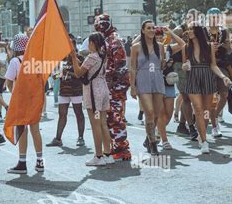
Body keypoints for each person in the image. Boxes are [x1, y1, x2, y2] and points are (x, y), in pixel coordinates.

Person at [182, 22, 232, 154]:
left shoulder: (209, 46)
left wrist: (223, 77)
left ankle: (201, 133)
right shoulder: (186, 47)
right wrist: (185, 66)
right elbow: (184, 64)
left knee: (206, 111)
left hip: (207, 78)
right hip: (193, 78)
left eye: (192, 29)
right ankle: (204, 141)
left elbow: (213, 65)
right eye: (188, 29)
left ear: (198, 31)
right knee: (198, 109)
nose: (189, 31)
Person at [71, 32, 112, 166]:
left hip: (94, 92)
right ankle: (107, 154)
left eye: (89, 42)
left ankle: (98, 156)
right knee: (103, 124)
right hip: (103, 89)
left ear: (93, 44)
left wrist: (72, 57)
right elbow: (87, 68)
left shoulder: (91, 57)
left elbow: (78, 73)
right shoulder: (102, 56)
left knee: (95, 125)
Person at [94, 14, 131, 160]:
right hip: (109, 85)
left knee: (116, 117)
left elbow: (120, 64)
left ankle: (123, 148)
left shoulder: (114, 40)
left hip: (116, 86)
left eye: (102, 24)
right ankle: (115, 146)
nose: (100, 27)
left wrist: (108, 77)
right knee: (110, 117)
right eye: (98, 25)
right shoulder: (106, 39)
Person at [6, 34, 44, 173]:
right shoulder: (35, 60)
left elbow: (9, 81)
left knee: (22, 129)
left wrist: (13, 93)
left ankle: (22, 162)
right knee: (35, 129)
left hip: (21, 99)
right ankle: (40, 161)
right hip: (35, 98)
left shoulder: (15, 61)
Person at [130, 21, 165, 155]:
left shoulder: (160, 46)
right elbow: (132, 67)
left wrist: (165, 62)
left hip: (157, 78)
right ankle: (153, 143)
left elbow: (161, 65)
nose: (151, 30)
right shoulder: (136, 47)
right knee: (149, 112)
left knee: (156, 114)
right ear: (143, 31)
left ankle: (148, 137)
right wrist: (132, 86)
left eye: (153, 28)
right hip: (143, 79)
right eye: (148, 28)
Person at [47, 36, 85, 147]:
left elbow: (81, 74)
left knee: (78, 114)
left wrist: (68, 72)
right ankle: (58, 139)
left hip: (76, 91)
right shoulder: (61, 59)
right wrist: (53, 73)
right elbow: (56, 76)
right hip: (64, 91)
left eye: (70, 45)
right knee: (62, 114)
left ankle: (81, 137)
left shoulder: (79, 58)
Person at [205, 7, 232, 138]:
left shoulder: (224, 31)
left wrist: (228, 48)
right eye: (212, 17)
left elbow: (230, 51)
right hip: (206, 65)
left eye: (216, 17)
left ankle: (214, 116)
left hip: (220, 65)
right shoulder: (203, 31)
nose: (214, 20)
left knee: (225, 93)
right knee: (210, 98)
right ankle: (214, 126)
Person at [157, 27, 186, 150]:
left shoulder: (169, 48)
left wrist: (171, 32)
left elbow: (182, 44)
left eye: (161, 37)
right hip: (156, 83)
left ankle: (159, 130)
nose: (159, 39)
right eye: (156, 37)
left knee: (169, 113)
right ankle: (164, 139)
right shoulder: (149, 49)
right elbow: (134, 44)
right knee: (161, 112)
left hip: (168, 82)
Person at [172, 10, 199, 141]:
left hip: (193, 64)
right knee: (186, 96)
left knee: (187, 98)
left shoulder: (197, 29)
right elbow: (168, 45)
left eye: (196, 17)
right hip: (179, 65)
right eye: (190, 17)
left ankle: (182, 125)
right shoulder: (179, 29)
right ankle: (190, 126)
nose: (193, 19)